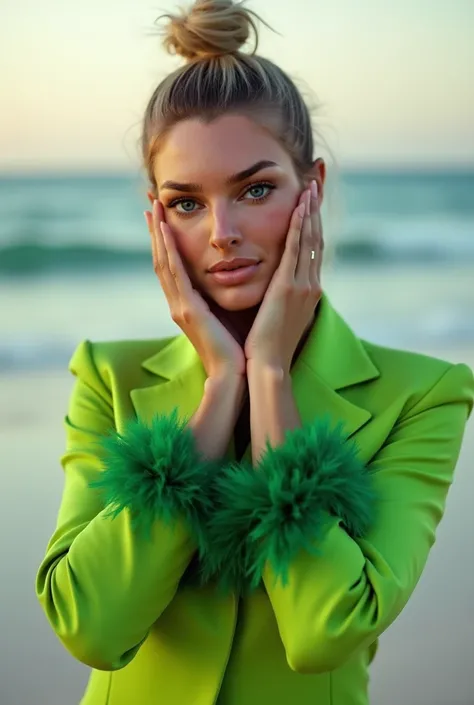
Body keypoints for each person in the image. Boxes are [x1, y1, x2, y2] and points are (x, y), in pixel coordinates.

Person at [36, 1, 474, 704]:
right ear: (155, 216)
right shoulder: (107, 378)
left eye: (256, 189)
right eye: (186, 203)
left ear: (314, 189)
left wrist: (269, 376)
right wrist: (218, 393)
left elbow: (325, 630)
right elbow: (92, 626)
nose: (222, 232)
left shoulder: (422, 394)